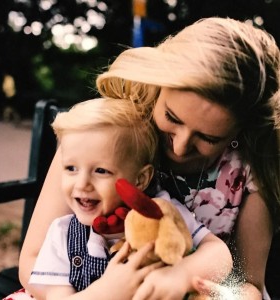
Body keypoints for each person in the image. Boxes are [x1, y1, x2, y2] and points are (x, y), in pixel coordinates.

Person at [17, 16, 280, 300]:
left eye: (209, 138)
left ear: (239, 130)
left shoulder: (247, 171)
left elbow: (248, 283)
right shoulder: (107, 135)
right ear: (158, 86)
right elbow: (32, 260)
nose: (180, 147)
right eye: (171, 117)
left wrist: (193, 283)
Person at [14, 97, 231, 300]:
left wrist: (180, 275)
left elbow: (220, 254)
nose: (81, 184)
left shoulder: (160, 212)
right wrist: (102, 294)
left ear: (140, 179)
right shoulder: (63, 234)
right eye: (71, 168)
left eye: (101, 171)